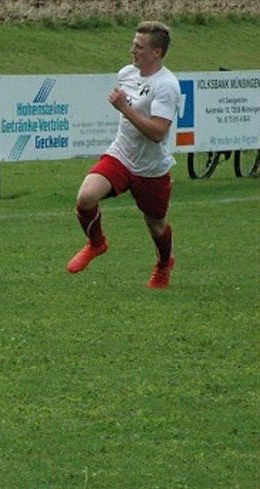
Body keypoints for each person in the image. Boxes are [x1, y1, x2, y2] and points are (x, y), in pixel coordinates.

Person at [66, 21, 181, 289]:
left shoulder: (166, 86)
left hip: (151, 168)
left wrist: (124, 108)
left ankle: (164, 265)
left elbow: (157, 133)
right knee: (86, 197)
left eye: (139, 47)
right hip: (121, 155)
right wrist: (125, 109)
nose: (133, 50)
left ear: (157, 52)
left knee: (157, 226)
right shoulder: (126, 74)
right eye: (133, 44)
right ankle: (97, 243)